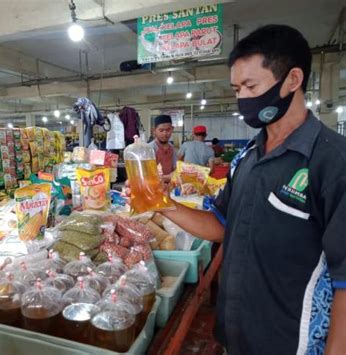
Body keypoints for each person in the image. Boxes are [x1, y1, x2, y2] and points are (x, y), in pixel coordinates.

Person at [132, 25, 346, 354]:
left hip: (292, 342)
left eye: (250, 85)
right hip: (237, 333)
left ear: (292, 79)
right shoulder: (248, 155)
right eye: (236, 89)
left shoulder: (332, 162)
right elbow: (221, 226)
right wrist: (160, 203)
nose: (242, 98)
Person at [148, 115, 177, 180]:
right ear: (154, 130)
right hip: (154, 187)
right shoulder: (149, 148)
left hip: (170, 186)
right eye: (161, 130)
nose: (165, 133)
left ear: (172, 129)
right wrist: (167, 177)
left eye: (168, 130)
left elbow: (175, 168)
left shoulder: (172, 148)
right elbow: (147, 175)